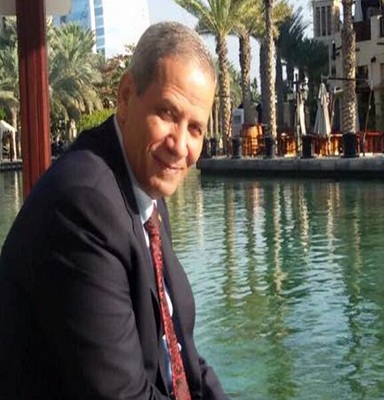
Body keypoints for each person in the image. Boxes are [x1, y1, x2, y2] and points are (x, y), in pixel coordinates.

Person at [0, 21, 229, 400]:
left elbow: (184, 355)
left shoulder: (144, 186)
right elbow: (121, 394)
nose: (180, 145)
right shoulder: (83, 203)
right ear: (125, 97)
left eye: (195, 129)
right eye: (167, 113)